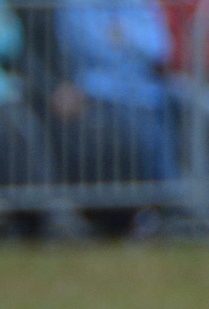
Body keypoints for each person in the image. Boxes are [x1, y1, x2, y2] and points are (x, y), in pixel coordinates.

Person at [51, 0, 181, 187]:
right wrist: (128, 42)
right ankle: (165, 198)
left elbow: (160, 48)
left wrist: (128, 34)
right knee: (142, 130)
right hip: (98, 92)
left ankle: (184, 200)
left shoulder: (138, 4)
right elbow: (90, 47)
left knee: (192, 109)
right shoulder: (75, 5)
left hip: (147, 92)